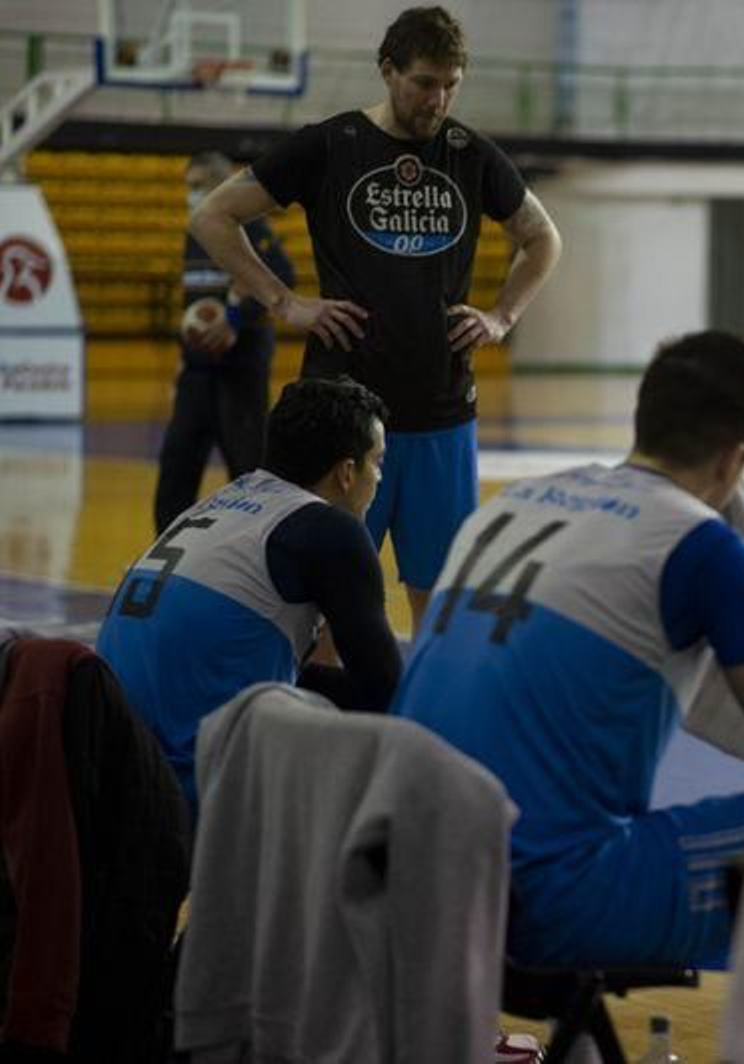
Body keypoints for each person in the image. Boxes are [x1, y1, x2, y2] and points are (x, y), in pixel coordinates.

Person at [394, 330, 744, 968]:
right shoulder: (699, 547)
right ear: (737, 459)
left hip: (409, 865)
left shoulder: (508, 505)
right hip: (543, 898)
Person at [189, 5, 563, 633]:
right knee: (330, 609)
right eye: (424, 82)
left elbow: (542, 236)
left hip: (443, 410)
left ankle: (422, 724)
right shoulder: (331, 144)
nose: (437, 99)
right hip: (345, 418)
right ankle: (328, 723)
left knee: (438, 603)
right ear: (388, 71)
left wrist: (502, 314)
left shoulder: (470, 153)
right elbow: (212, 216)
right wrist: (284, 302)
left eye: (451, 84)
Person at [98, 377, 402, 812]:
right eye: (378, 462)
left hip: (109, 773)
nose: (380, 478)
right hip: (186, 790)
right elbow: (385, 693)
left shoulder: (223, 501)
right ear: (346, 472)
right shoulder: (329, 531)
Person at [154, 150, 295, 534]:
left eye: (198, 186)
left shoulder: (248, 226)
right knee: (176, 463)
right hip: (197, 370)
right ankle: (164, 552)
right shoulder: (193, 233)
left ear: (220, 185)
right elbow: (193, 299)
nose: (191, 194)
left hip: (241, 365)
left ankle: (254, 550)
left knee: (246, 466)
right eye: (188, 187)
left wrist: (234, 318)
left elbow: (283, 274)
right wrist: (184, 356)